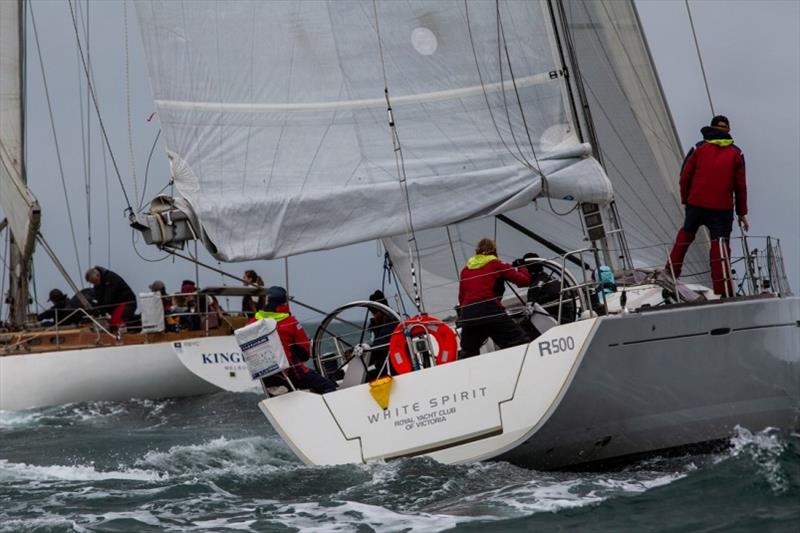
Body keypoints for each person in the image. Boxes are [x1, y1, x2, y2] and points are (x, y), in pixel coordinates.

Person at [667, 115, 748, 297]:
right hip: (721, 208)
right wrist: (742, 213)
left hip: (696, 203)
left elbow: (685, 176)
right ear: (728, 131)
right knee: (719, 247)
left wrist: (686, 199)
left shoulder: (698, 148)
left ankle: (670, 273)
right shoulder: (736, 153)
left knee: (686, 235)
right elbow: (740, 186)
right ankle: (723, 290)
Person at [457, 238, 531, 357]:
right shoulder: (496, 264)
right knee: (520, 343)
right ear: (494, 251)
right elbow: (524, 281)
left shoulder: (465, 270)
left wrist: (463, 315)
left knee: (468, 352)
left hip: (469, 314)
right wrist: (522, 267)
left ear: (477, 252)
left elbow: (461, 296)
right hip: (489, 310)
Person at [256, 286, 337, 394]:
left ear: (266, 301)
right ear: (284, 302)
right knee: (329, 386)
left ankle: (277, 384)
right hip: (293, 375)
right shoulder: (290, 322)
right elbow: (305, 353)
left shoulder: (252, 323)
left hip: (266, 379)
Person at [366, 290, 399, 380]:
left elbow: (378, 349)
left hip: (391, 370)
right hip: (390, 366)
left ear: (379, 311)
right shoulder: (395, 321)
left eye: (374, 313)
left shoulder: (390, 326)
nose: (373, 316)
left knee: (363, 378)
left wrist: (363, 354)